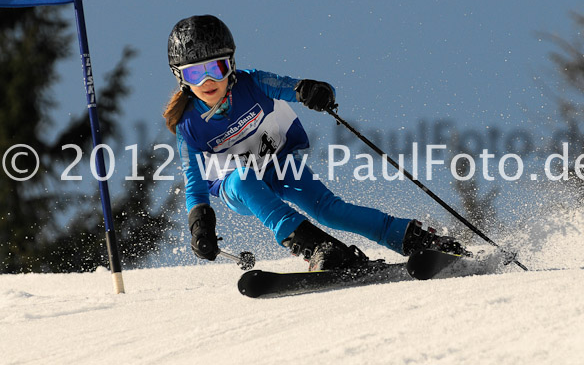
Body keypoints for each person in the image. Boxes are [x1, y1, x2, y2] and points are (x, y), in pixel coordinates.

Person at [163, 15, 466, 271]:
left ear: (230, 64)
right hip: (238, 187)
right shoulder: (188, 125)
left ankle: (413, 238)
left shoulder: (252, 83)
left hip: (279, 164)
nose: (206, 82)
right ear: (181, 79)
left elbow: (293, 88)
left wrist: (315, 92)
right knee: (242, 179)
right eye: (194, 73)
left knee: (328, 209)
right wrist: (199, 225)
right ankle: (317, 247)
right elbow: (195, 184)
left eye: (214, 69)